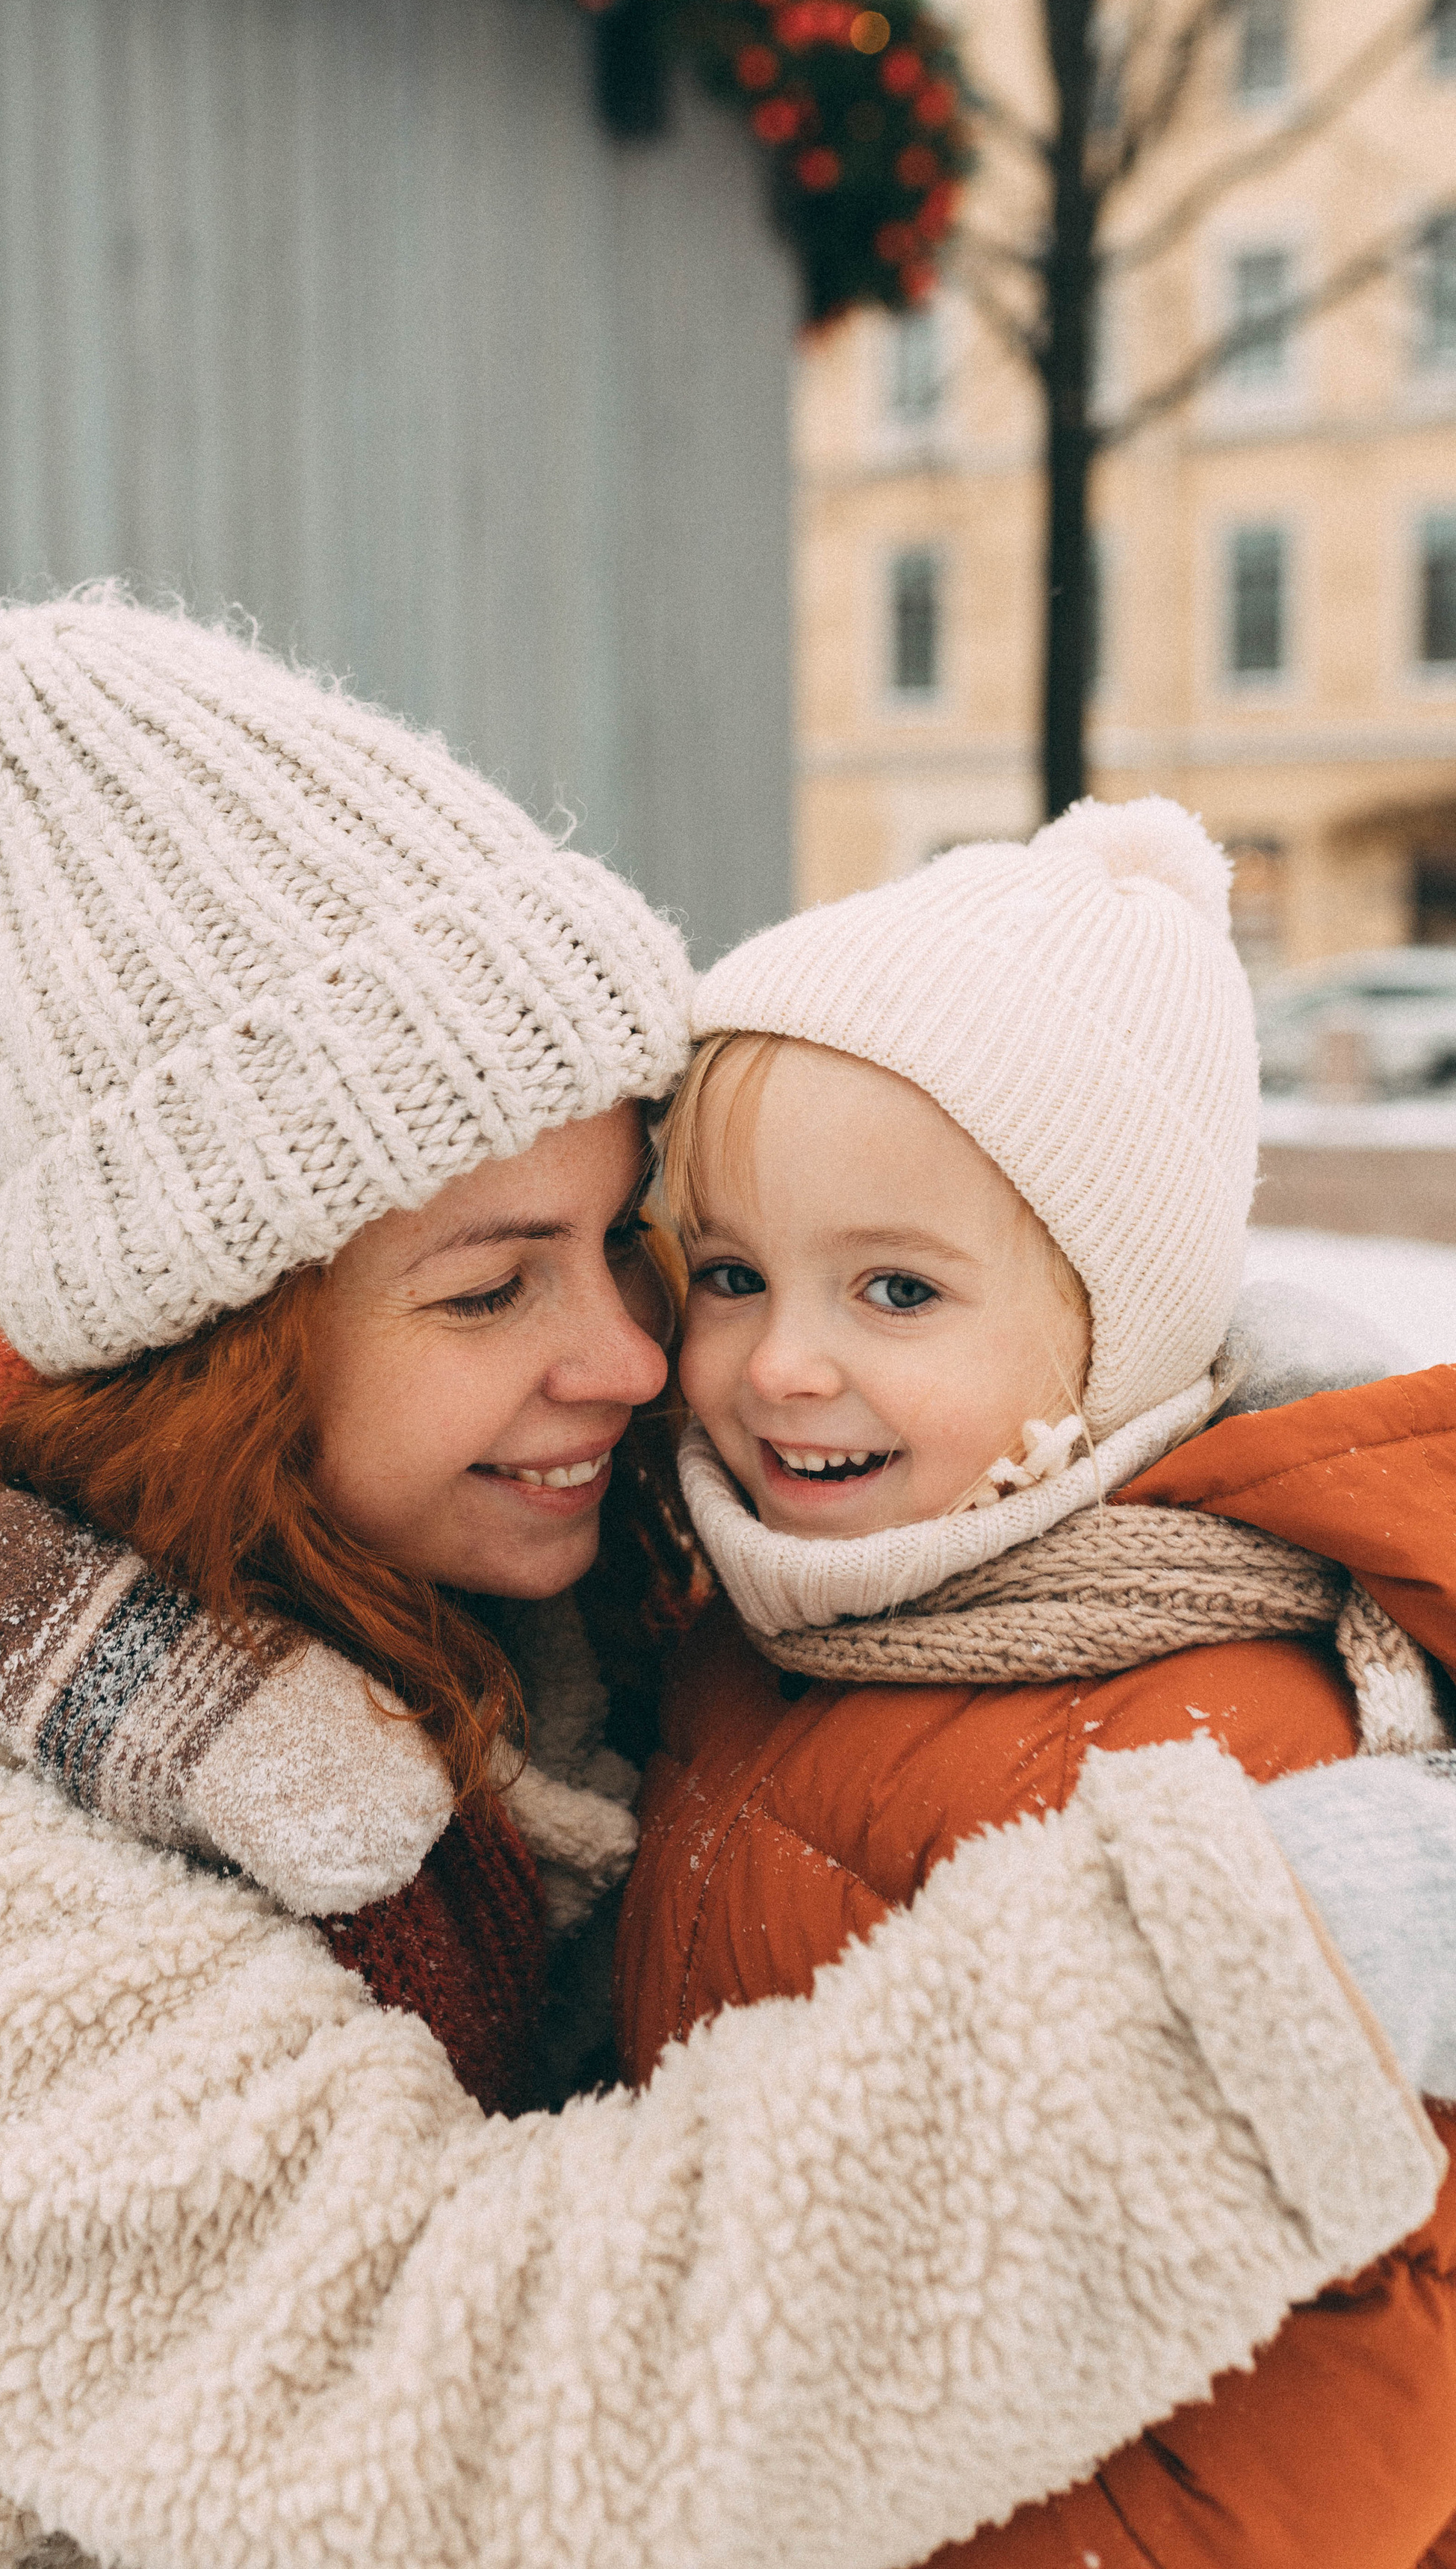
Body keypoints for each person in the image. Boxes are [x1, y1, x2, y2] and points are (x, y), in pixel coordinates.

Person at [0, 603, 1456, 2569]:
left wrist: (1194, 1438)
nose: (632, 1359)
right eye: (491, 1286)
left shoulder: (538, 1604)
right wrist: (1258, 1968)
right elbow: (457, 2419)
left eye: (623, 1241)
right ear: (230, 1347)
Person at [618, 793, 1456, 2569]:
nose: (780, 1364)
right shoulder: (749, 1616)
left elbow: (1339, 2397)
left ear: (1110, 1328)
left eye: (896, 1290)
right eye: (729, 1275)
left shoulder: (1215, 1736)